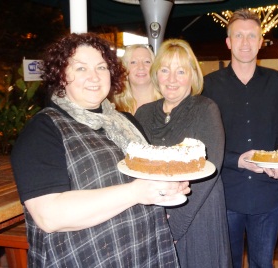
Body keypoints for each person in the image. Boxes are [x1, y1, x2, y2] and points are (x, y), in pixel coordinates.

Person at [10, 32, 190, 267]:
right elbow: (48, 215)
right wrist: (136, 192)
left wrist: (167, 187)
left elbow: (147, 179)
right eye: (81, 68)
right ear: (61, 74)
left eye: (101, 67)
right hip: (87, 258)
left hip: (145, 251)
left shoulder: (126, 121)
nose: (94, 76)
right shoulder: (44, 129)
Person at [202, 8, 278, 268]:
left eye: (252, 36)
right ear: (229, 42)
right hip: (225, 193)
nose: (245, 43)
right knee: (226, 263)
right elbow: (203, 144)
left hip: (267, 192)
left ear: (261, 42)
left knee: (263, 264)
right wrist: (238, 161)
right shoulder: (208, 85)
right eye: (239, 36)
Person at [134, 38, 232, 268]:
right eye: (165, 70)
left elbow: (208, 171)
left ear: (192, 75)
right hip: (154, 213)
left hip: (197, 214)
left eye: (180, 71)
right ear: (156, 74)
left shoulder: (205, 109)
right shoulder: (143, 113)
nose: (171, 79)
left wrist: (175, 226)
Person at [113, 44, 162, 114]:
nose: (141, 67)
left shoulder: (167, 105)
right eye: (133, 62)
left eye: (147, 61)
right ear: (125, 69)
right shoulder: (115, 108)